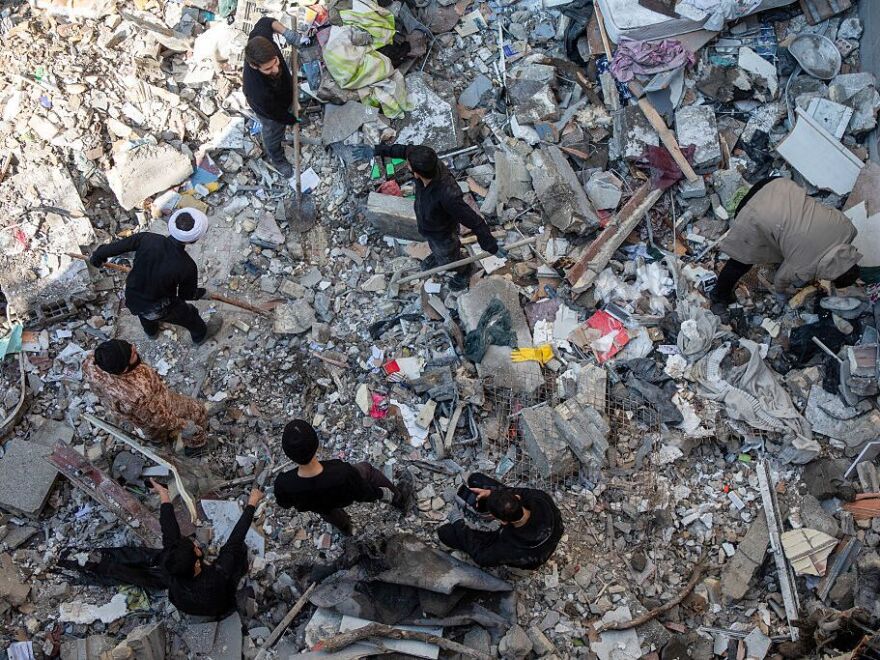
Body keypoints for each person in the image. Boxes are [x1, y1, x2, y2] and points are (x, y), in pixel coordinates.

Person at [57, 479, 262, 619]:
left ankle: (93, 562)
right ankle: (102, 564)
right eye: (196, 547)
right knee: (238, 554)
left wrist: (164, 495)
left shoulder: (172, 565)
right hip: (216, 603)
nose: (197, 544)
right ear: (198, 562)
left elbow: (169, 529)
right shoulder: (217, 575)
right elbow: (235, 540)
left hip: (178, 592)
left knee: (151, 560)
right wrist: (252, 503)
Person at [711, 177, 862, 309]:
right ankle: (719, 295)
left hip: (777, 186)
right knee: (742, 260)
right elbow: (780, 279)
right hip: (753, 211)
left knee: (788, 236)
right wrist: (781, 295)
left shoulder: (848, 229)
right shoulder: (805, 266)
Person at [372, 143, 505, 290]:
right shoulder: (426, 159)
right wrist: (377, 150)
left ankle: (464, 270)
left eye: (409, 165)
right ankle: (438, 256)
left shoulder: (448, 195)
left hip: (443, 233)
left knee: (448, 258)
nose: (407, 164)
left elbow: (475, 221)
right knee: (437, 249)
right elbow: (404, 150)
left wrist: (490, 245)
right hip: (429, 225)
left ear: (416, 173)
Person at [89, 208, 222, 344]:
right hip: (156, 306)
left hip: (133, 296)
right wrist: (202, 293)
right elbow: (186, 295)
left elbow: (116, 247)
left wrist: (98, 256)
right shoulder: (187, 266)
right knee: (189, 314)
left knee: (144, 315)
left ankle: (151, 332)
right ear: (193, 241)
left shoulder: (147, 238)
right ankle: (201, 335)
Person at [273, 419, 413, 535]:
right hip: (343, 498)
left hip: (321, 506)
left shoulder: (284, 484)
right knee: (366, 469)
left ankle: (346, 529)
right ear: (316, 444)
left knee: (329, 514)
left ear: (288, 454)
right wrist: (381, 494)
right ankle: (398, 498)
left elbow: (284, 503)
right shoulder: (342, 472)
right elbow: (362, 493)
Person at [83, 339, 208, 451]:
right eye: (132, 354)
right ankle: (196, 444)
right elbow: (159, 419)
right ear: (125, 369)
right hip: (159, 405)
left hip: (134, 416)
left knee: (154, 434)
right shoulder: (137, 395)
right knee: (197, 410)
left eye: (129, 346)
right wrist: (184, 425)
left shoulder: (92, 363)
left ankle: (160, 442)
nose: (135, 348)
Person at [437, 473, 563, 570]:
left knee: (445, 533)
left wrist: (459, 523)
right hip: (549, 528)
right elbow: (517, 492)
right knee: (475, 479)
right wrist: (491, 493)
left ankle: (485, 513)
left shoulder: (509, 547)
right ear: (518, 498)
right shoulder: (539, 498)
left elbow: (481, 557)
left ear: (502, 522)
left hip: (531, 555)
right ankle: (490, 505)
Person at [243, 17, 300, 177]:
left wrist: (287, 33)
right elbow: (277, 114)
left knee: (290, 105)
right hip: (271, 111)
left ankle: (293, 108)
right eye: (268, 68)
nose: (275, 69)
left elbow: (266, 22)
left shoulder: (260, 41)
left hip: (284, 93)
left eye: (276, 62)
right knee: (273, 132)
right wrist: (292, 120)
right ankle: (277, 158)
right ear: (254, 65)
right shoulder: (255, 90)